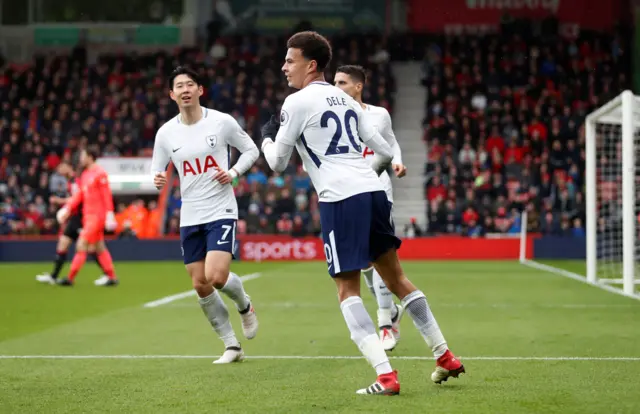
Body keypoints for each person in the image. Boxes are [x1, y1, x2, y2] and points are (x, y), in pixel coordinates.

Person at [261, 31, 464, 395]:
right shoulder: (346, 98)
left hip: (340, 200)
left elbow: (276, 163)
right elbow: (385, 152)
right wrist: (362, 177)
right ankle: (444, 354)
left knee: (347, 290)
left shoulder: (297, 101)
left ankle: (386, 376)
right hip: (372, 194)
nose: (284, 66)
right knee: (397, 279)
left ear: (311, 65)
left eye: (290, 60)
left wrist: (266, 136)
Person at [151, 66, 260, 364]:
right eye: (179, 86)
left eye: (190, 84)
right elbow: (157, 167)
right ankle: (231, 346)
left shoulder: (221, 122)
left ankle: (245, 304)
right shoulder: (166, 132)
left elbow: (251, 150)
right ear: (172, 94)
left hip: (221, 208)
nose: (185, 90)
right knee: (200, 283)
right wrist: (158, 178)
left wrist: (233, 172)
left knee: (216, 276)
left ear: (200, 90)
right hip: (191, 213)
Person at [334, 64, 406, 352]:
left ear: (357, 86)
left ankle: (385, 325)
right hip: (348, 193)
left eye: (341, 83)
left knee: (378, 256)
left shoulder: (379, 115)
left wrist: (397, 160)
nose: (336, 87)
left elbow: (391, 142)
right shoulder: (332, 118)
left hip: (378, 192)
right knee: (363, 262)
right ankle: (392, 312)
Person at [36, 160, 108, 285]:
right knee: (63, 244)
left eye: (61, 167)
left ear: (68, 167)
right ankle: (54, 276)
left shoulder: (77, 179)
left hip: (84, 218)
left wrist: (60, 202)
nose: (58, 170)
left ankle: (108, 275)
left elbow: (79, 197)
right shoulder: (70, 181)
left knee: (92, 248)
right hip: (75, 218)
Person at [55, 149, 119, 287]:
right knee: (99, 247)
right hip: (87, 216)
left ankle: (70, 278)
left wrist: (109, 214)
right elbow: (79, 195)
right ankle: (112, 277)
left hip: (97, 217)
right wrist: (67, 208)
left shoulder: (100, 173)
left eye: (83, 156)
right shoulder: (85, 175)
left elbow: (106, 195)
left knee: (81, 244)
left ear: (90, 157)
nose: (81, 158)